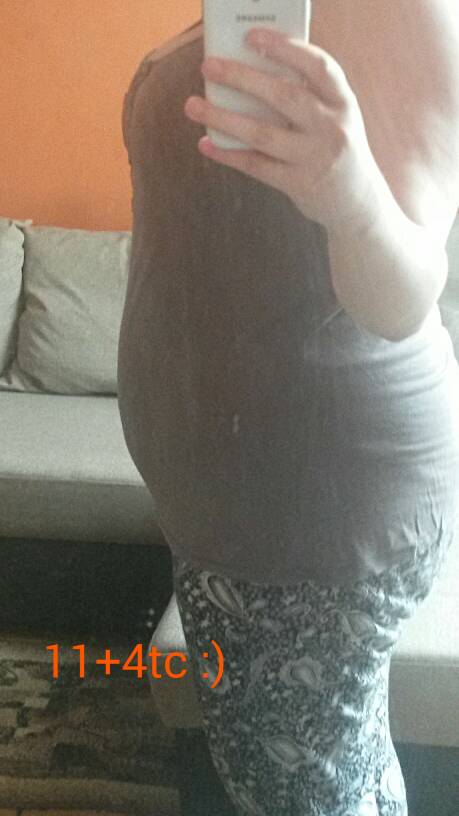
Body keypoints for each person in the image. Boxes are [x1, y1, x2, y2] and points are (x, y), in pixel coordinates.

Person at [117, 2, 459, 813]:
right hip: (240, 494)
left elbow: (405, 295)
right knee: (303, 777)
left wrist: (351, 196)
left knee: (309, 793)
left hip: (309, 502)